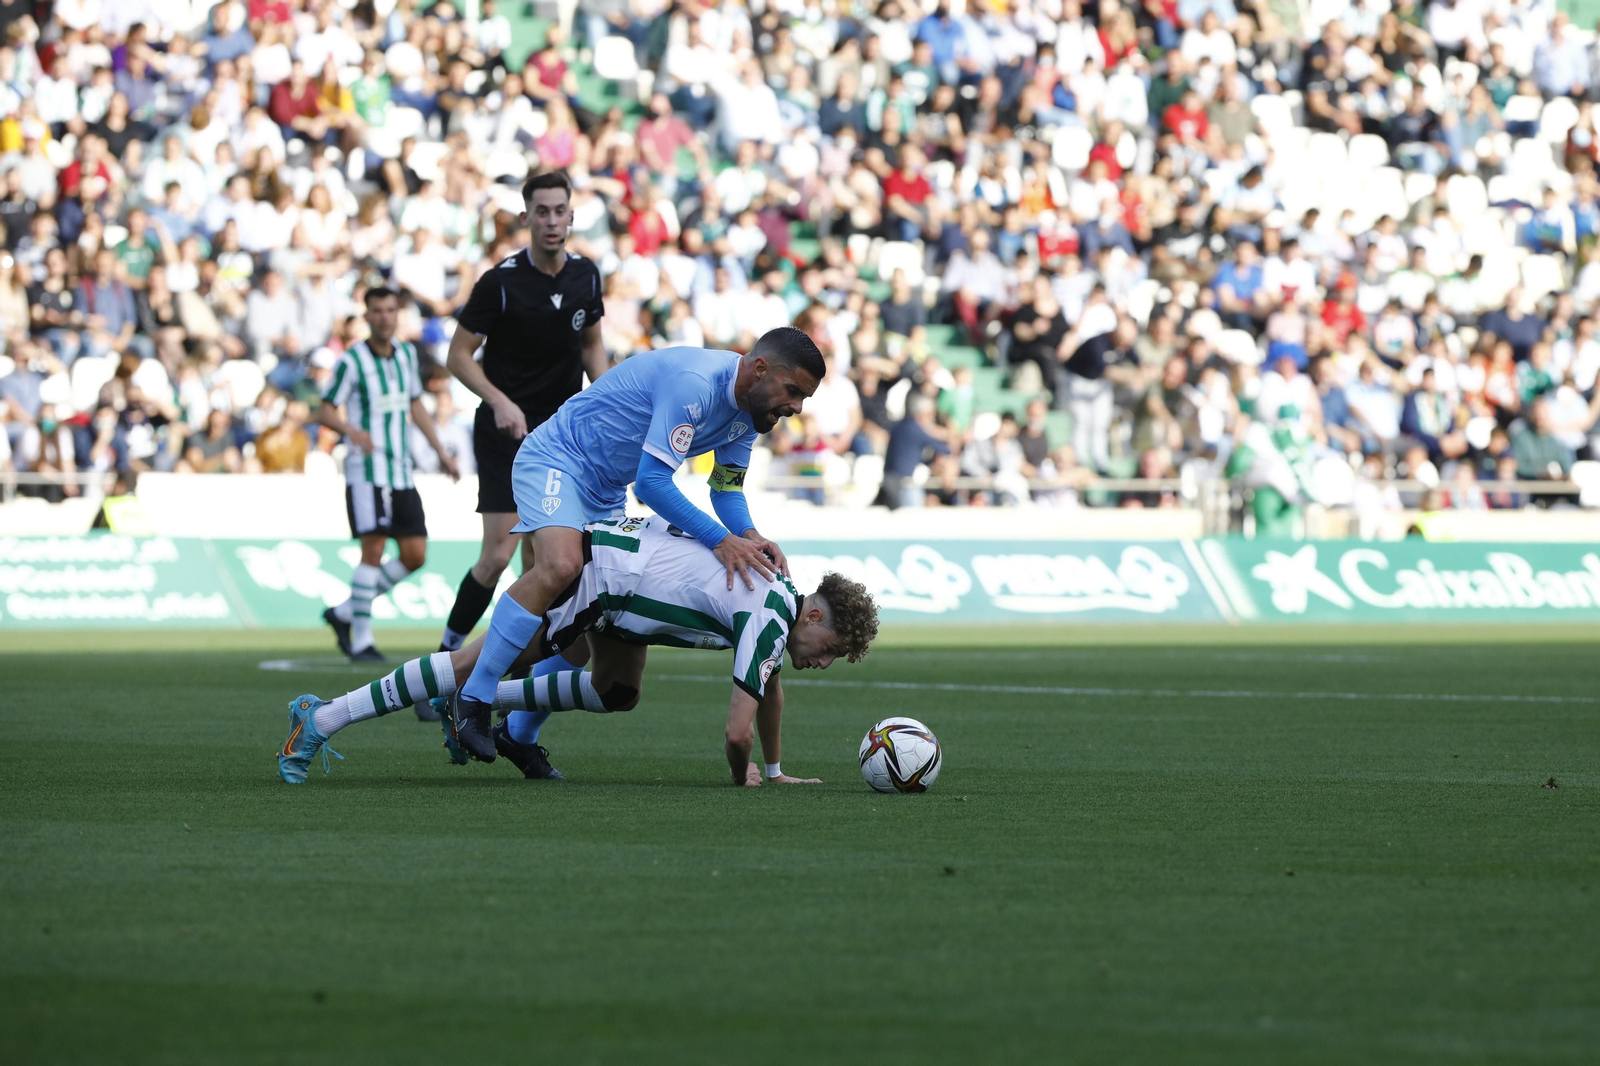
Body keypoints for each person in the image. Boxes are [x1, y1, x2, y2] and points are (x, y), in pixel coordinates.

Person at [441, 325, 823, 774]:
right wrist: (720, 540)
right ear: (760, 369)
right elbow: (652, 483)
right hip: (559, 459)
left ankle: (518, 734)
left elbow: (725, 488)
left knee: (589, 650)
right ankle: (474, 694)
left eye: (804, 399)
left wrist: (749, 534)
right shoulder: (696, 385)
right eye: (793, 391)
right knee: (562, 564)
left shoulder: (750, 412)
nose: (795, 408)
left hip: (604, 491)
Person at [277, 517, 879, 786]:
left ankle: (482, 704)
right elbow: (735, 734)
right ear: (816, 615)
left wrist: (775, 772)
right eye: (832, 650)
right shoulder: (772, 615)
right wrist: (743, 775)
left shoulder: (777, 605)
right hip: (599, 575)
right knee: (479, 660)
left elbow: (770, 688)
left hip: (621, 588)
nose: (824, 662)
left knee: (617, 691)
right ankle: (322, 717)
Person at [437, 171, 609, 656]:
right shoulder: (500, 283)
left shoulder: (586, 276)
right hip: (504, 434)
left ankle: (514, 679)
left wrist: (617, 405)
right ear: (525, 218)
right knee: (497, 554)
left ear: (571, 216)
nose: (552, 221)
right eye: (542, 212)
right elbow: (457, 356)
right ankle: (445, 660)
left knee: (546, 562)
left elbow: (593, 346)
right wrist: (500, 400)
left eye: (560, 211)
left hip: (562, 438)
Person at [316, 287, 460, 665]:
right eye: (377, 310)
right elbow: (325, 410)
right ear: (367, 316)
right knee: (374, 550)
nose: (384, 317)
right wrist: (351, 431)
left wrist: (441, 452)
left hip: (401, 471)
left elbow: (415, 404)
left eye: (390, 310)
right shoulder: (353, 361)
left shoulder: (407, 356)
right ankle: (361, 639)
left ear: (398, 315)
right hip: (368, 472)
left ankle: (345, 612)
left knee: (415, 555)